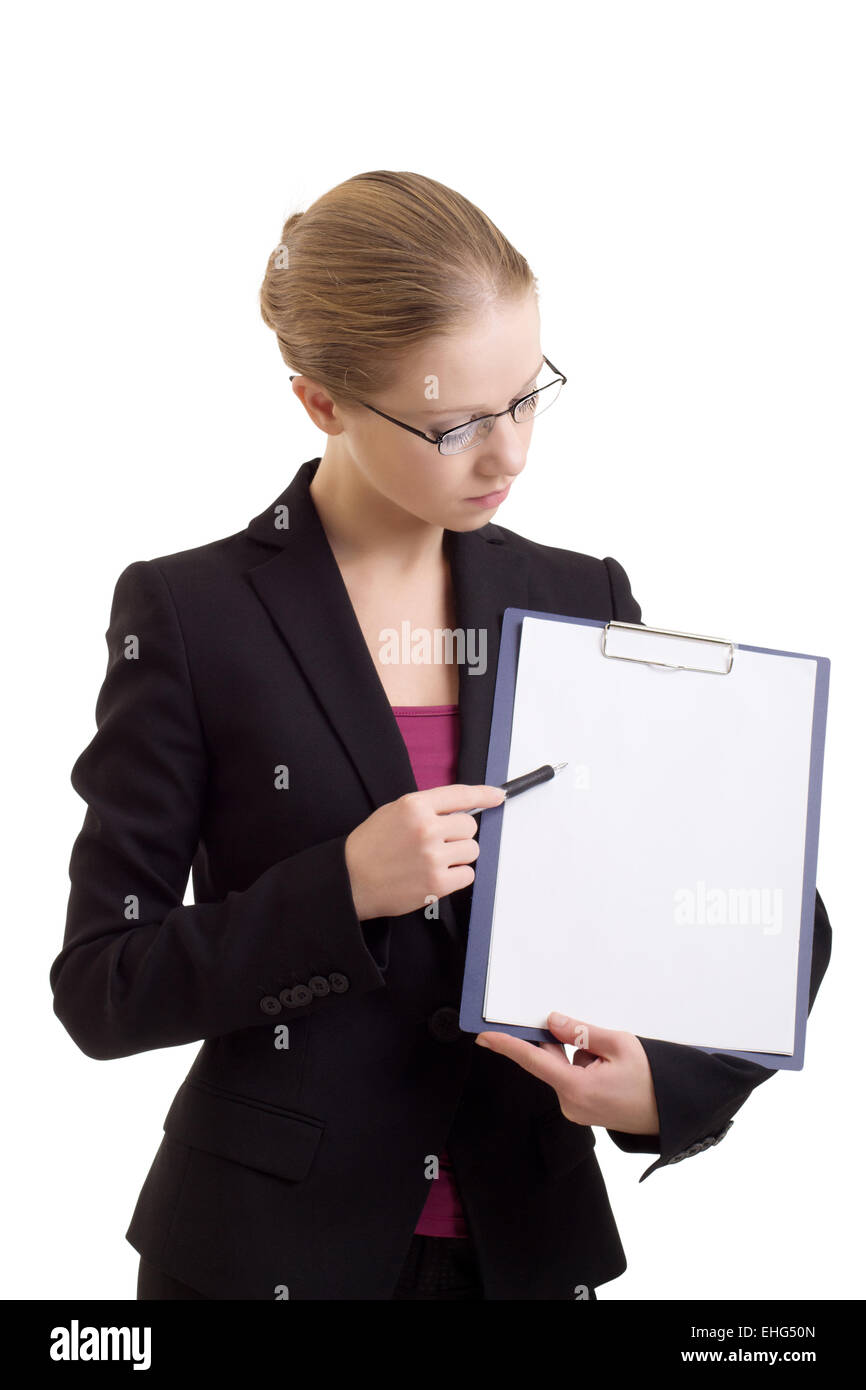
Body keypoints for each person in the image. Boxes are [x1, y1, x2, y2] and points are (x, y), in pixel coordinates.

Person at [51, 170, 832, 1301]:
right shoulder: (190, 614)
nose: (507, 455)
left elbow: (764, 916)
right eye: (454, 423)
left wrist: (669, 1085)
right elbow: (103, 983)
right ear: (320, 402)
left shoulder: (579, 599)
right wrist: (340, 889)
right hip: (260, 1255)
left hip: (527, 1249)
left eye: (526, 397)